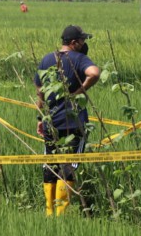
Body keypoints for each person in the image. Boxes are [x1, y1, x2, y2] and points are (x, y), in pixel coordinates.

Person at [34, 25, 101, 216]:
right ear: (74, 43)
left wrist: (41, 117)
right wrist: (80, 91)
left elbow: (39, 91)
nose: (84, 43)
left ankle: (49, 211)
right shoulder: (79, 59)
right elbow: (94, 73)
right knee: (69, 164)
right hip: (74, 122)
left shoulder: (47, 59)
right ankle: (61, 213)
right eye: (82, 40)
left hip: (51, 121)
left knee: (50, 162)